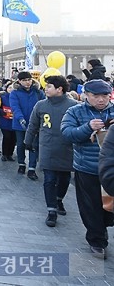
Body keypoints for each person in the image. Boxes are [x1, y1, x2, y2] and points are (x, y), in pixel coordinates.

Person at [61, 78, 114, 259]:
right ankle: (97, 241)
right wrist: (87, 128)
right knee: (91, 207)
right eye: (96, 96)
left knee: (109, 208)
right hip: (87, 168)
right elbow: (67, 134)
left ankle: (103, 227)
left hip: (111, 170)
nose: (101, 99)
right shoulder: (75, 111)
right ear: (86, 95)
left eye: (105, 95)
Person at [25, 75, 77, 228]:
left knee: (64, 178)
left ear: (59, 89)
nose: (45, 89)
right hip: (47, 147)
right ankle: (51, 210)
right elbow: (32, 125)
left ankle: (59, 199)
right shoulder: (40, 105)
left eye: (49, 86)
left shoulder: (74, 106)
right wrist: (28, 141)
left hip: (67, 147)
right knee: (49, 179)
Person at [10, 71, 45, 178]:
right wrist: (20, 118)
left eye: (29, 80)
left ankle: (32, 168)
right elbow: (15, 107)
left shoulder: (38, 92)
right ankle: (21, 163)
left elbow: (43, 105)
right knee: (20, 144)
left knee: (33, 146)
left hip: (35, 124)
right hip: (20, 123)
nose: (27, 82)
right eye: (24, 80)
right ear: (19, 81)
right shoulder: (15, 93)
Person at [0, 81, 16, 161]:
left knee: (13, 138)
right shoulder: (2, 96)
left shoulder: (17, 97)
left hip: (15, 120)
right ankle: (4, 154)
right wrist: (2, 112)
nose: (11, 89)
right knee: (7, 137)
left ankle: (10, 154)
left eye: (13, 88)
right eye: (9, 87)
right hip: (5, 120)